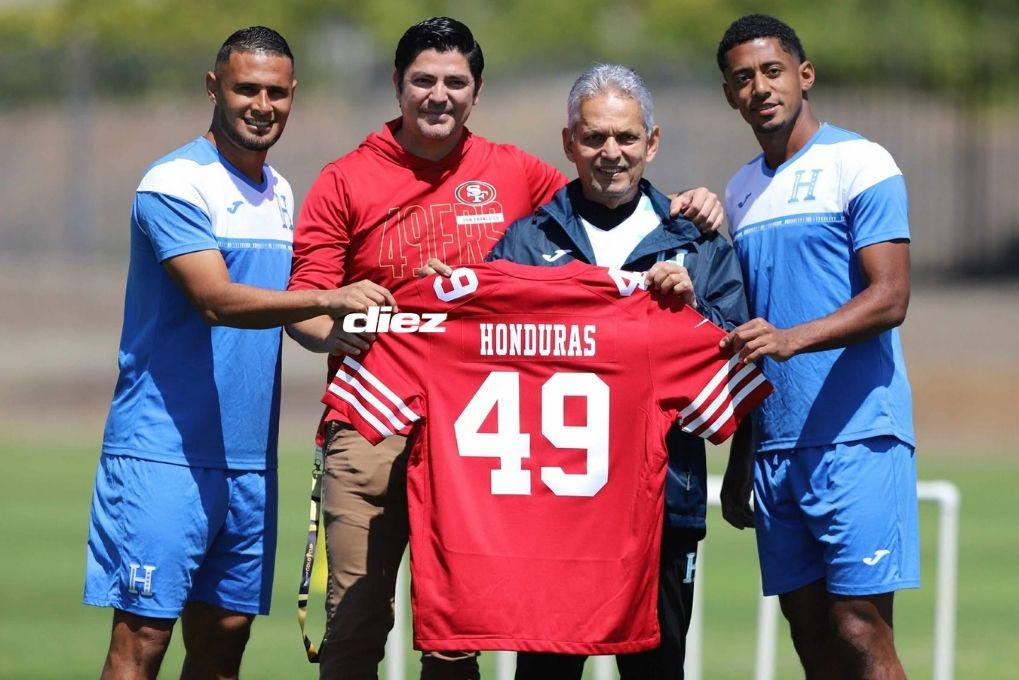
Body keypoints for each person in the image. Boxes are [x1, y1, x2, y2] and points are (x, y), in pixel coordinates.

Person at [286, 17, 725, 680]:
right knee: (355, 625)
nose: (439, 95)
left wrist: (685, 209)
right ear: (398, 85)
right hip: (375, 421)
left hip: (479, 440)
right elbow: (304, 305)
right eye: (424, 80)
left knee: (455, 635)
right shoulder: (345, 179)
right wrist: (343, 332)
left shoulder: (517, 174)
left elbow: (607, 192)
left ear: (477, 90)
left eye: (454, 81)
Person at [82, 27, 392, 680]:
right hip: (163, 454)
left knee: (225, 644)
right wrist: (330, 297)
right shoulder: (175, 183)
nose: (262, 105)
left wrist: (343, 331)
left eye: (276, 92)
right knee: (142, 641)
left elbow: (288, 313)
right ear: (213, 87)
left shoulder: (279, 192)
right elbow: (217, 301)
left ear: (293, 95)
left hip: (248, 461)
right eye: (246, 88)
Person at [466, 63, 749, 680]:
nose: (611, 153)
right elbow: (478, 355)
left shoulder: (698, 245)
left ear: (653, 142)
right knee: (545, 675)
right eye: (594, 137)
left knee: (656, 672)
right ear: (569, 143)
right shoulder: (524, 245)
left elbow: (737, 371)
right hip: (551, 512)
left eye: (626, 137)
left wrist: (691, 313)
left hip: (661, 506)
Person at [715, 14, 919, 679]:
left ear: (804, 75)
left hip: (857, 436)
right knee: (809, 634)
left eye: (772, 71)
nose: (760, 88)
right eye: (743, 78)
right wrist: (744, 453)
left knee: (858, 625)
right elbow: (750, 329)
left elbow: (890, 297)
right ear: (729, 95)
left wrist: (791, 339)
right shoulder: (740, 192)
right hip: (776, 448)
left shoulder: (859, 162)